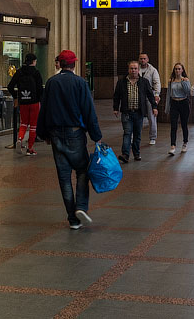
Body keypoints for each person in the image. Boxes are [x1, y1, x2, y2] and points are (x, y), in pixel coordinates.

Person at [36, 50, 102, 230]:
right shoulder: (80, 83)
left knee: (64, 177)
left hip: (56, 134)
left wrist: (43, 134)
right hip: (75, 133)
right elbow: (89, 110)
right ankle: (81, 206)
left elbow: (44, 110)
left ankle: (72, 219)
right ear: (74, 64)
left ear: (61, 64)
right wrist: (96, 136)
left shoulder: (51, 82)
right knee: (82, 170)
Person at [112, 60, 158, 163]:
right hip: (126, 112)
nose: (133, 70)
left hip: (139, 113)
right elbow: (116, 96)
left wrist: (154, 107)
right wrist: (115, 108)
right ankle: (125, 154)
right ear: (128, 70)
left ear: (138, 70)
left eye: (135, 68)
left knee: (137, 134)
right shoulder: (121, 82)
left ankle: (136, 153)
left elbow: (150, 95)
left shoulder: (144, 82)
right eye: (131, 68)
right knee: (127, 133)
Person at [9, 53, 44, 155]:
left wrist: (16, 96)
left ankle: (19, 139)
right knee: (33, 126)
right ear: (34, 61)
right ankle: (30, 148)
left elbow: (10, 86)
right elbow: (40, 89)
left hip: (23, 102)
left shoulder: (19, 72)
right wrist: (39, 99)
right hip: (34, 102)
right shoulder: (36, 73)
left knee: (24, 123)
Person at [166, 63, 191, 154]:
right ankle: (173, 145)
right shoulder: (171, 80)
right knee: (173, 125)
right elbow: (169, 94)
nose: (177, 71)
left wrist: (183, 82)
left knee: (184, 124)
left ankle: (185, 143)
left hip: (183, 102)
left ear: (182, 70)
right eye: (176, 69)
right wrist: (167, 107)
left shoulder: (186, 80)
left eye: (179, 69)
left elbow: (188, 92)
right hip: (174, 103)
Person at [138, 53, 161, 145]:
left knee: (151, 117)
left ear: (147, 59)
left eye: (144, 58)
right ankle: (135, 136)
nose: (142, 60)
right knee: (137, 116)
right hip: (138, 96)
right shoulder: (136, 68)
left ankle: (153, 137)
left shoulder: (153, 70)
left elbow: (157, 83)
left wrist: (156, 94)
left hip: (149, 96)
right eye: (141, 58)